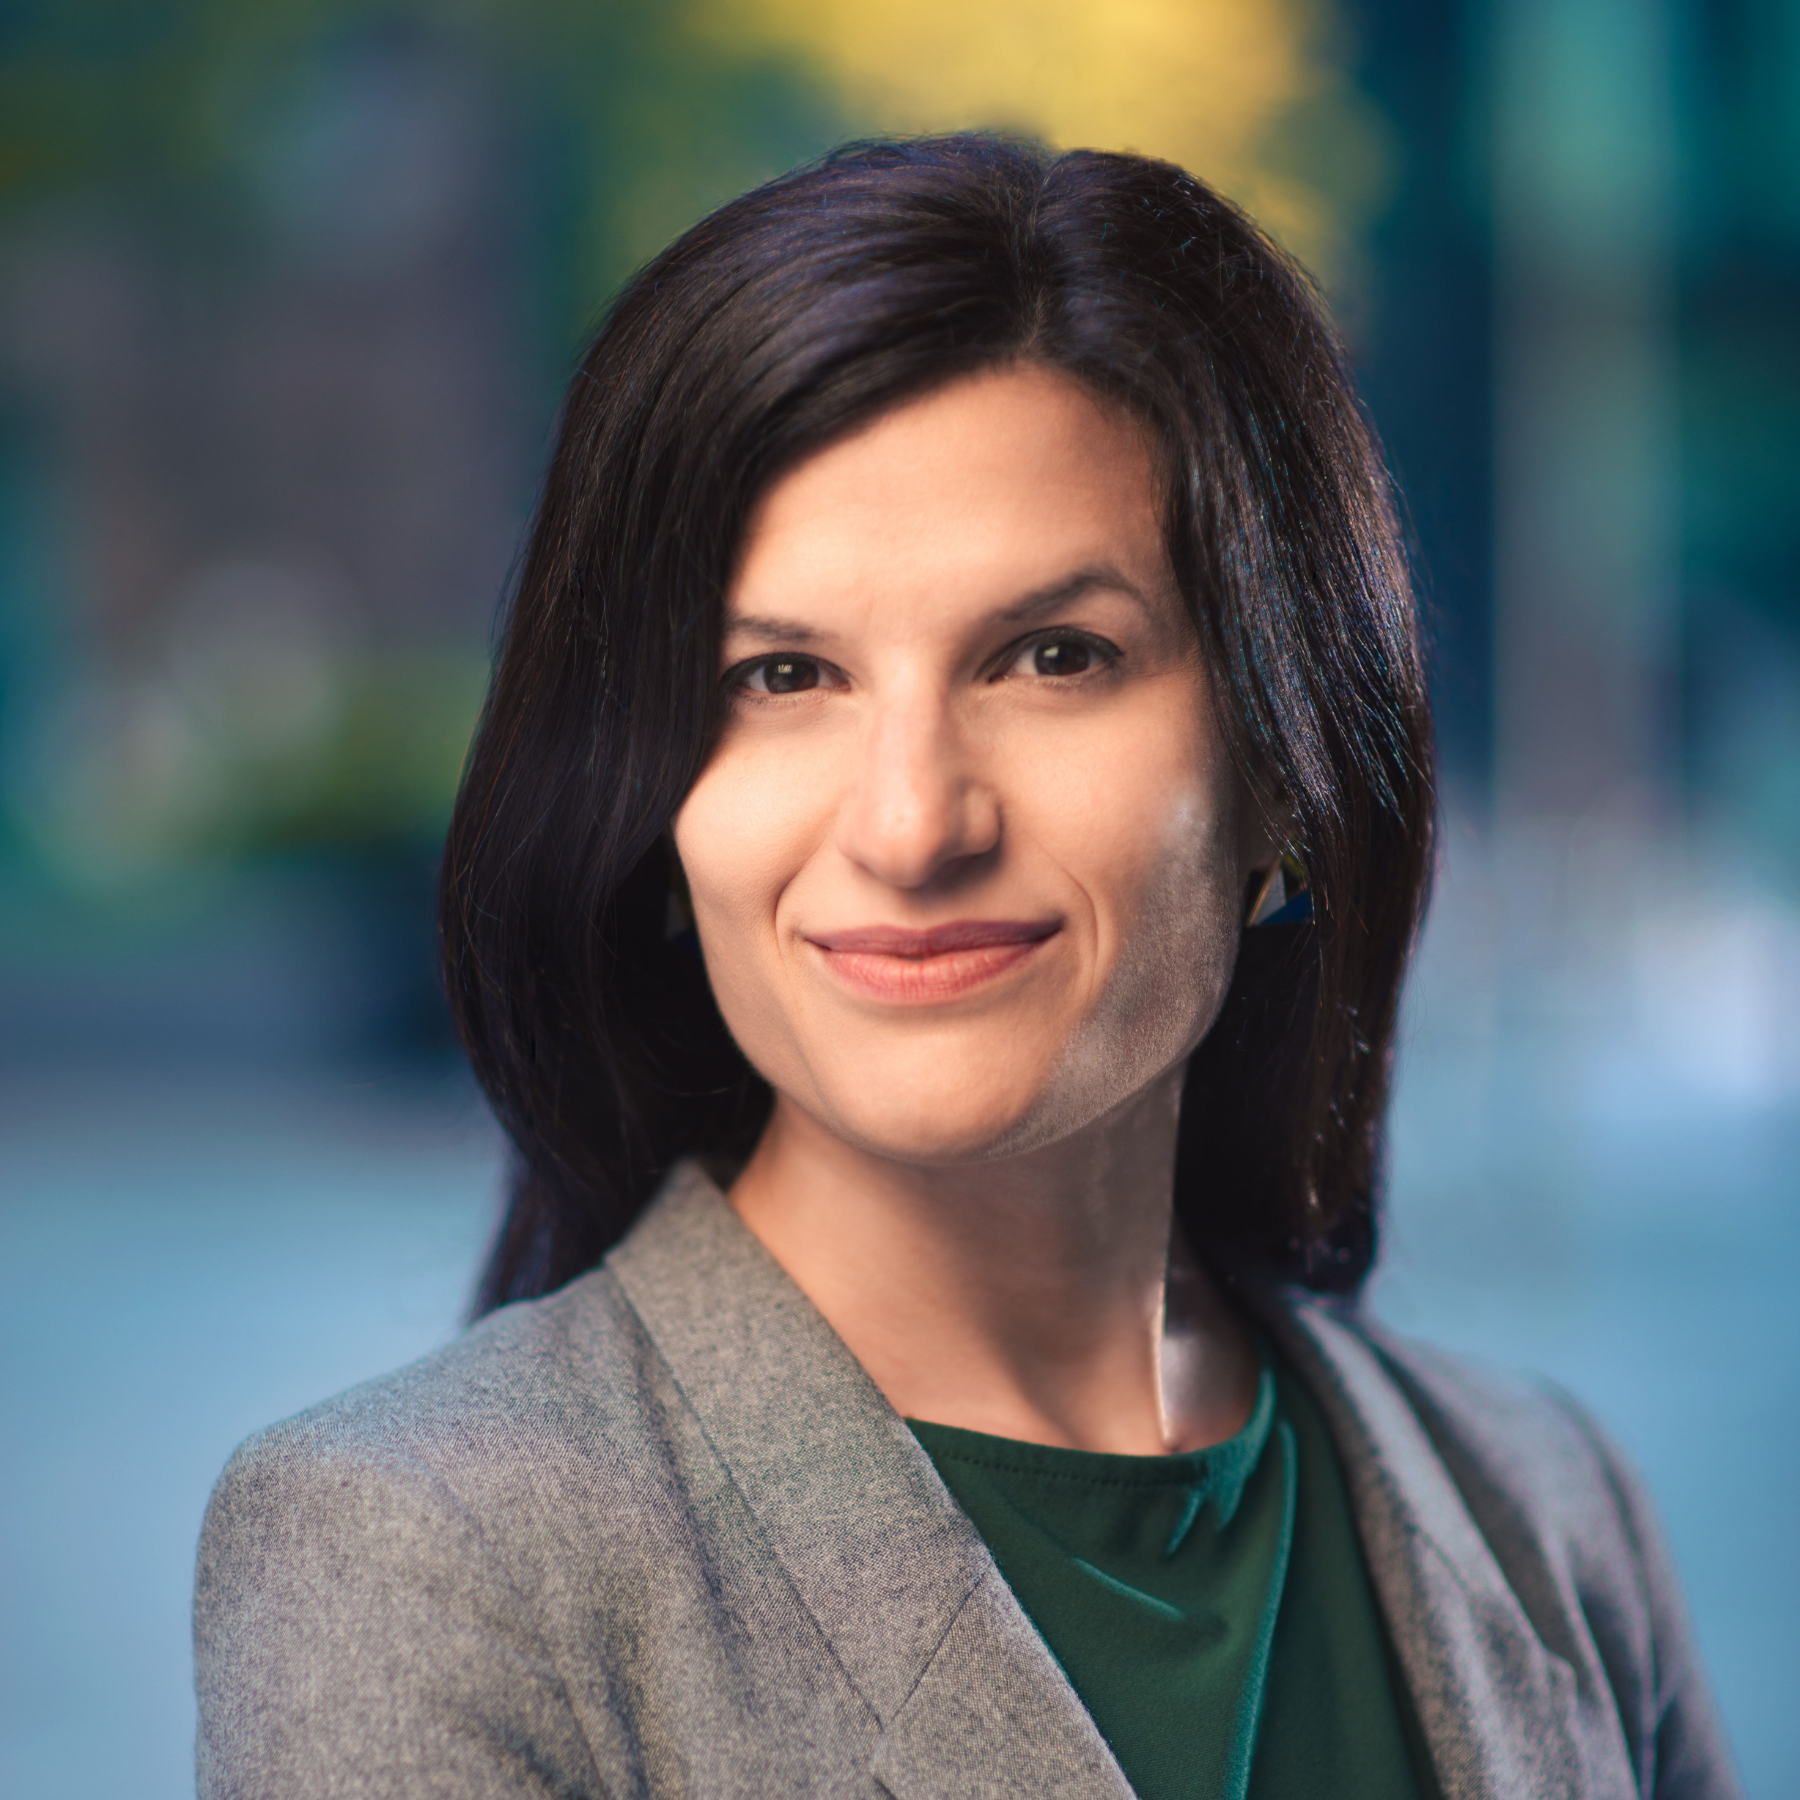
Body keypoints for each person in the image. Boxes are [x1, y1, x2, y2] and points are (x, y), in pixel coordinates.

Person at [194, 136, 1740, 1800]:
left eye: (1054, 657)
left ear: (1281, 771)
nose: (914, 821)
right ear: (652, 807)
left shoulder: (1548, 1509)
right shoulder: (426, 1551)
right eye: (783, 675)